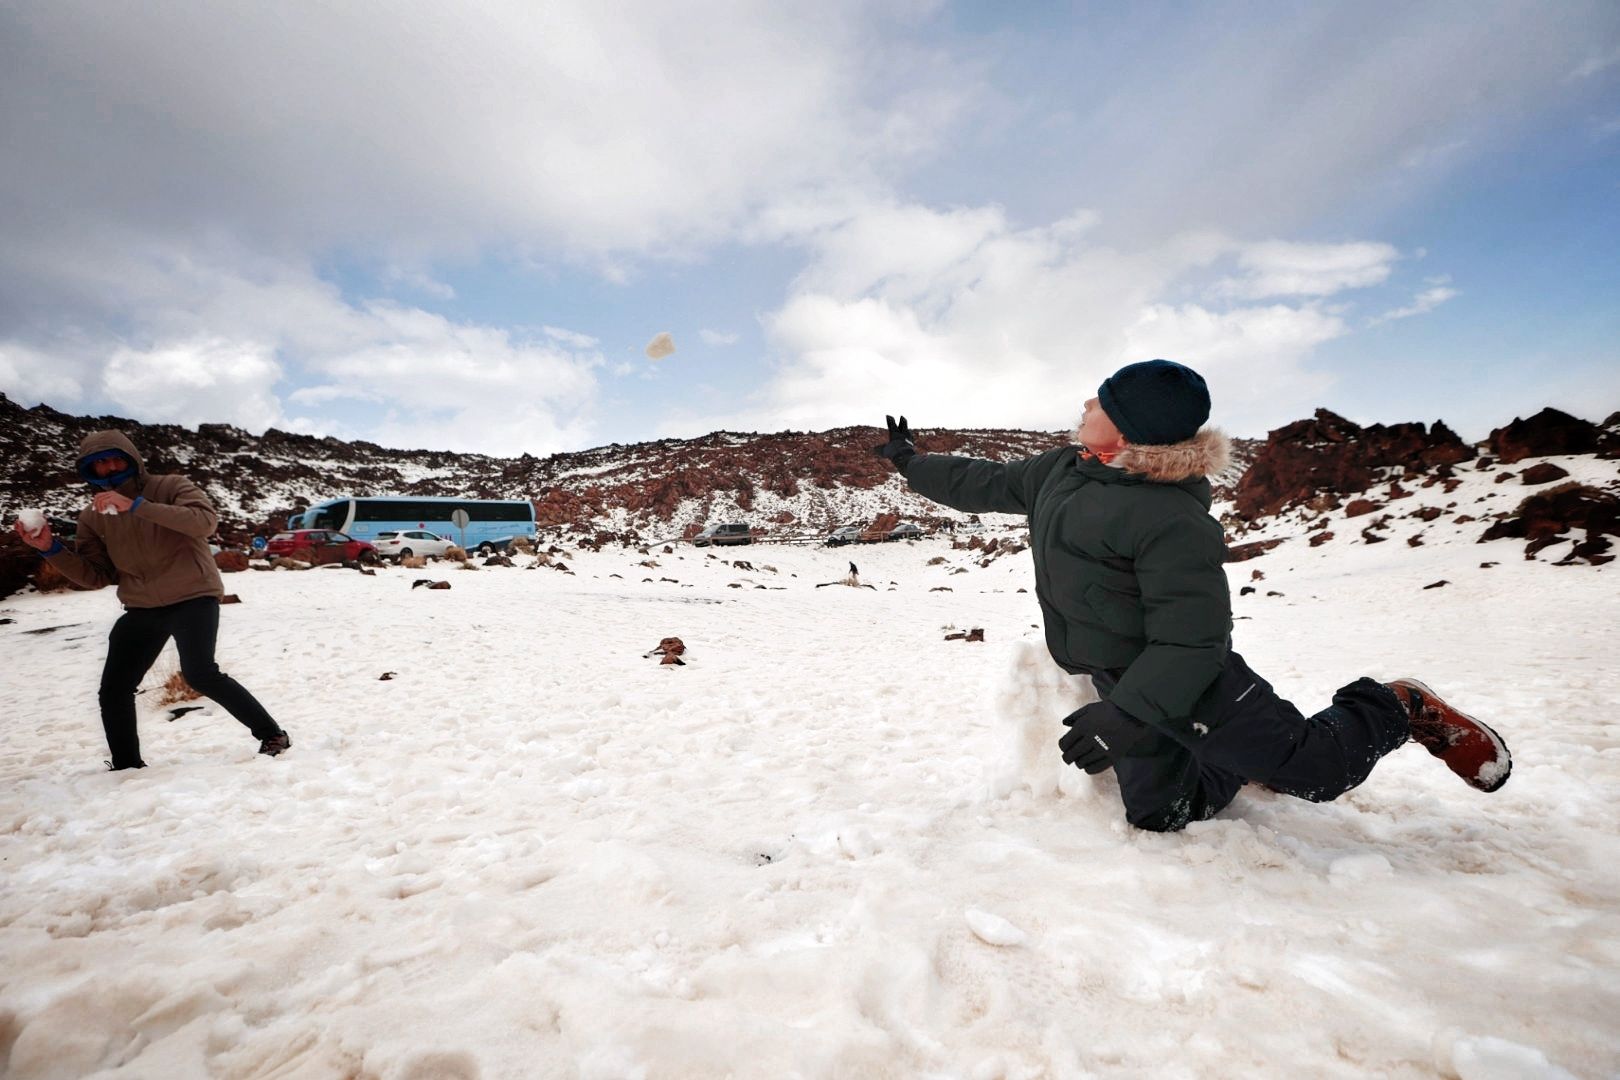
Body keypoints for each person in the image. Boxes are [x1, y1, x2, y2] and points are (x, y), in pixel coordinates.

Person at [875, 359, 1510, 832]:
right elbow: (982, 480)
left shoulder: (1171, 520)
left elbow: (1194, 638)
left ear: (1124, 432)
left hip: (1190, 676)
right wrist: (909, 461)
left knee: (1316, 774)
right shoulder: (1058, 469)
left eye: (1102, 401)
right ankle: (1229, 760)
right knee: (1162, 813)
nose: (1087, 402)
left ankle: (1399, 706)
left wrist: (1129, 714)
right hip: (1118, 674)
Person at [12, 430, 291, 770]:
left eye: (115, 458)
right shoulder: (92, 516)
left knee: (200, 673)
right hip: (141, 605)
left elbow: (204, 522)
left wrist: (137, 507)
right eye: (99, 463)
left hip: (193, 595)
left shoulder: (170, 487)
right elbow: (96, 575)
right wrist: (50, 549)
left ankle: (272, 734)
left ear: (131, 459)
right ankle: (126, 764)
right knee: (114, 688)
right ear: (89, 471)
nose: (109, 467)